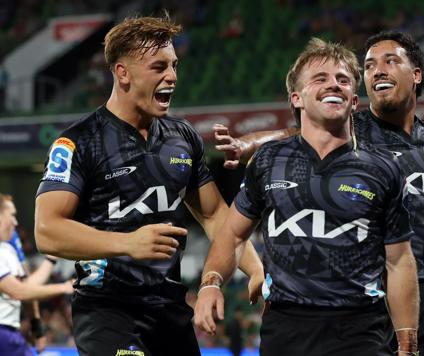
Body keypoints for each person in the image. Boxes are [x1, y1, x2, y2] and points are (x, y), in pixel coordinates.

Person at [211, 30, 424, 356]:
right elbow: (293, 133)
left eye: (389, 61)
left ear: (416, 74)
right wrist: (246, 143)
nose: (378, 70)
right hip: (387, 295)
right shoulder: (354, 131)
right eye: (369, 66)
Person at [33, 15, 263, 356]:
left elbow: (215, 216)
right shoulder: (79, 142)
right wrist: (128, 243)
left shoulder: (182, 137)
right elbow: (46, 231)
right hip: (108, 311)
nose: (172, 76)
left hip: (170, 310)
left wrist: (257, 270)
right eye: (159, 67)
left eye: (173, 65)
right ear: (122, 73)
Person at [195, 38, 419, 356]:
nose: (334, 85)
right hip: (286, 328)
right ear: (297, 98)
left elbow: (399, 262)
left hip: (361, 331)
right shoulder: (269, 160)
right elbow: (231, 235)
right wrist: (211, 283)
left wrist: (408, 344)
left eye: (343, 80)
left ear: (355, 101)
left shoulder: (383, 169)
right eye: (321, 78)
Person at [0, 193, 74, 356]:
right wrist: (63, 287)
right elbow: (18, 291)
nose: (15, 222)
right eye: (11, 215)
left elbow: (27, 287)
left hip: (10, 333)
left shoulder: (8, 250)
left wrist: (37, 327)